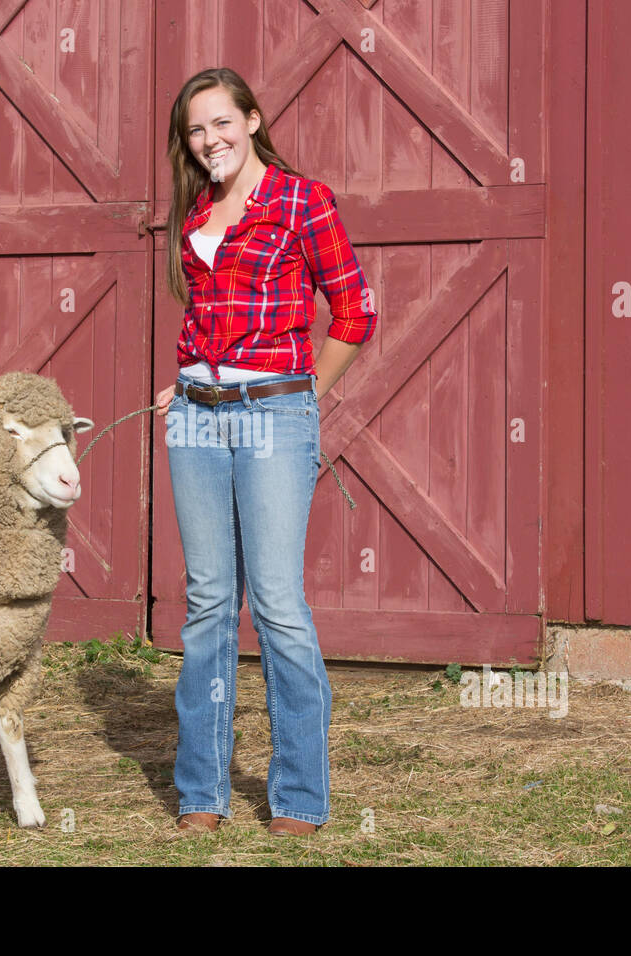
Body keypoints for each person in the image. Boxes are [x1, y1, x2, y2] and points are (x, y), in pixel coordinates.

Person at [154, 67, 378, 836]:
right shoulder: (195, 211)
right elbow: (208, 322)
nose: (209, 139)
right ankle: (202, 794)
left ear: (251, 120)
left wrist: (304, 390)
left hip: (273, 416)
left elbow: (355, 310)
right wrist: (183, 382)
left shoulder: (301, 200)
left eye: (221, 122)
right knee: (208, 604)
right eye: (195, 130)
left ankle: (299, 797)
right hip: (195, 417)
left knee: (278, 605)